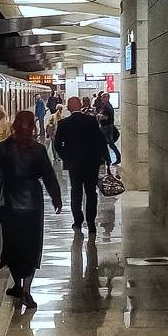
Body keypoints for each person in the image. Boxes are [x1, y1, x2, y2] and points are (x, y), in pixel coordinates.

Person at [0, 109, 62, 309]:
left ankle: (18, 285)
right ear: (32, 127)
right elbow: (48, 175)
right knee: (32, 245)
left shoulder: (1, 148)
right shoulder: (38, 149)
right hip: (33, 203)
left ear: (13, 125)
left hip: (9, 203)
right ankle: (27, 291)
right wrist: (56, 197)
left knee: (13, 244)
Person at [53, 96, 110, 236]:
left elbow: (57, 144)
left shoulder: (64, 123)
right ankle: (91, 223)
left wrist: (66, 157)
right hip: (91, 163)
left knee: (76, 192)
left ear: (68, 107)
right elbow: (100, 140)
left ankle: (77, 222)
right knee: (91, 192)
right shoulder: (91, 120)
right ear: (80, 106)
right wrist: (103, 157)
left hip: (74, 164)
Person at [94, 91, 121, 165]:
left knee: (106, 143)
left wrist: (98, 115)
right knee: (108, 144)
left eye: (103, 97)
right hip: (106, 126)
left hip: (107, 127)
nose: (101, 98)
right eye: (101, 97)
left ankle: (109, 159)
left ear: (107, 98)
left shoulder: (108, 106)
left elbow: (106, 117)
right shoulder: (105, 106)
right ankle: (110, 159)